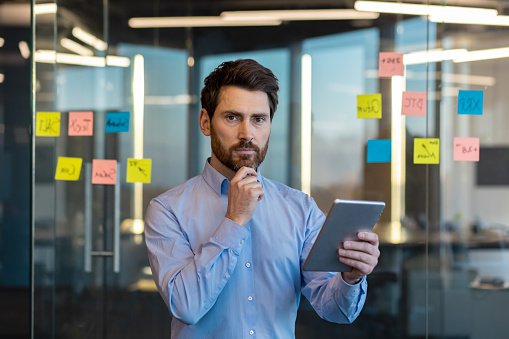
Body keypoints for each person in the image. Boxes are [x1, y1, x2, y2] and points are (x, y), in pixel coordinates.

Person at [144, 59, 380, 338]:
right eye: (232, 117)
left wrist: (350, 277)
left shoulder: (300, 209)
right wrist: (235, 219)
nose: (247, 134)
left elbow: (335, 310)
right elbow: (185, 306)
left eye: (259, 119)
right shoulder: (167, 210)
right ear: (205, 122)